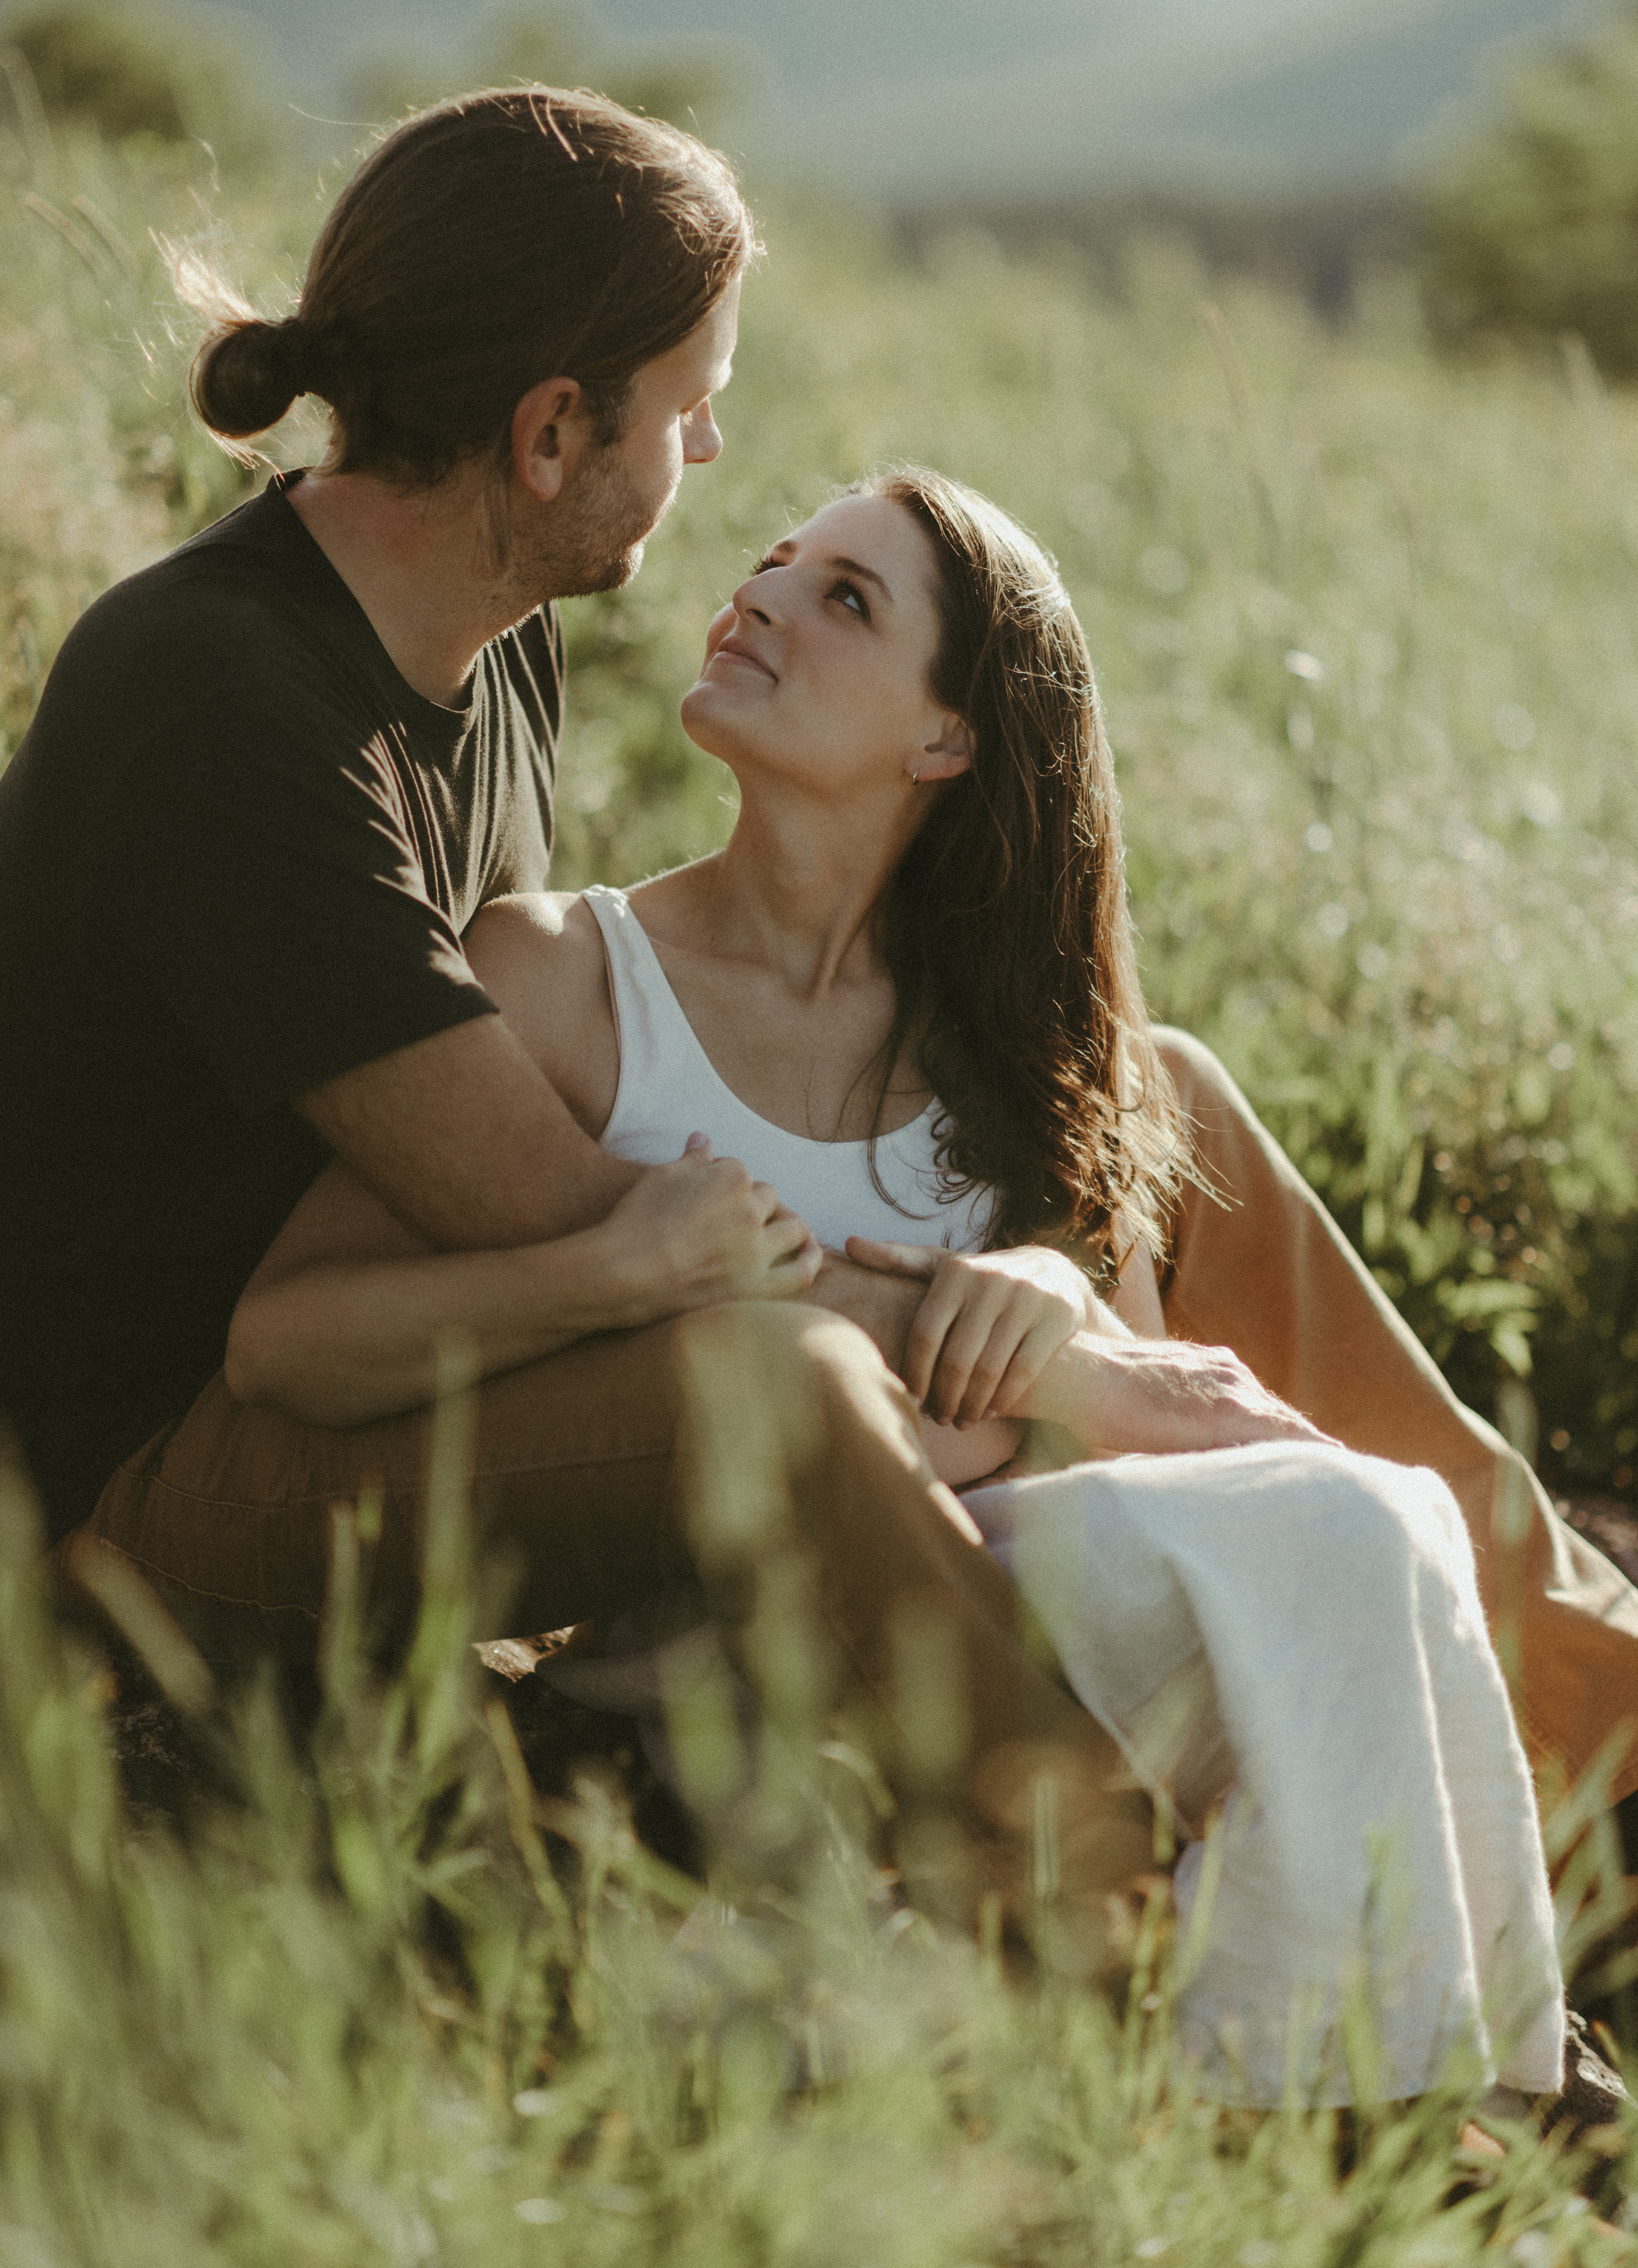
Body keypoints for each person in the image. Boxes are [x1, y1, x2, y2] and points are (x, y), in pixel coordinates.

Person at [185, 469, 1570, 2102]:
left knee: (1371, 1519)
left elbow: (1154, 1443)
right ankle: (1336, 2083)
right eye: (774, 561)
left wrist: (1056, 1318)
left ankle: (1388, 2071)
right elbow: (285, 1340)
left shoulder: (1027, 1061)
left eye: (845, 598)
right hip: (705, 1637)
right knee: (1338, 1533)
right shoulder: (563, 976)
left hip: (996, 1614)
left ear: (948, 741)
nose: (760, 594)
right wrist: (606, 1270)